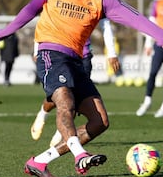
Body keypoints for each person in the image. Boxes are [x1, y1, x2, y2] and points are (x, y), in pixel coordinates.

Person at [0, 0, 163, 177]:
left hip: (76, 61)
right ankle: (80, 155)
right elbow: (31, 9)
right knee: (65, 102)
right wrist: (6, 31)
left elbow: (134, 17)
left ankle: (39, 162)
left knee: (100, 122)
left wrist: (161, 35)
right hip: (51, 53)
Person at [31, 18, 120, 147]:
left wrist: (111, 53)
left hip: (83, 56)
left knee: (75, 99)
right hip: (60, 54)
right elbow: (44, 23)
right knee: (60, 94)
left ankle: (60, 133)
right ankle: (43, 114)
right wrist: (36, 49)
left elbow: (105, 24)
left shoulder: (95, 0)